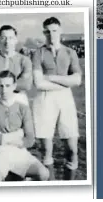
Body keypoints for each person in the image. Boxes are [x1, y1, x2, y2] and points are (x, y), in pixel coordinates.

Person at [0, 70, 49, 182]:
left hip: (19, 152)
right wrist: (18, 134)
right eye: (1, 86)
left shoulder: (23, 108)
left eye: (8, 86)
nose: (4, 90)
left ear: (14, 86)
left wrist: (2, 136)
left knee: (43, 173)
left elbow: (30, 140)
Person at [32, 17, 82, 180]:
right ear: (43, 33)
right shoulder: (38, 53)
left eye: (54, 30)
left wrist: (50, 77)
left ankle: (70, 186)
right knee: (46, 149)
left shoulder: (70, 52)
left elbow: (77, 80)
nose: (50, 34)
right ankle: (51, 187)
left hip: (65, 99)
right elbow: (39, 84)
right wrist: (65, 82)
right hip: (44, 99)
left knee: (72, 148)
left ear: (60, 31)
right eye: (47, 31)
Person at [0, 25, 33, 105]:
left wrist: (2, 87)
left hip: (18, 98)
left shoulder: (24, 60)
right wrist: (13, 86)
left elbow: (26, 84)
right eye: (4, 38)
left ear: (16, 40)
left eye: (10, 38)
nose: (7, 42)